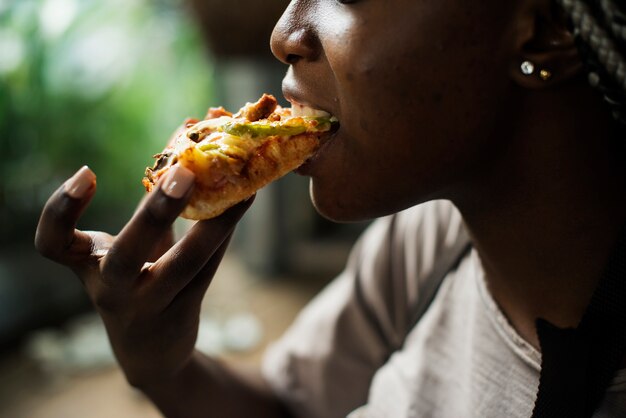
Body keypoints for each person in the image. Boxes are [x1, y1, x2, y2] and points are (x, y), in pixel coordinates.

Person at [34, 0, 626, 416]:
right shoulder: (428, 240)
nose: (284, 34)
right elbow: (289, 408)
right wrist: (160, 364)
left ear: (543, 30)